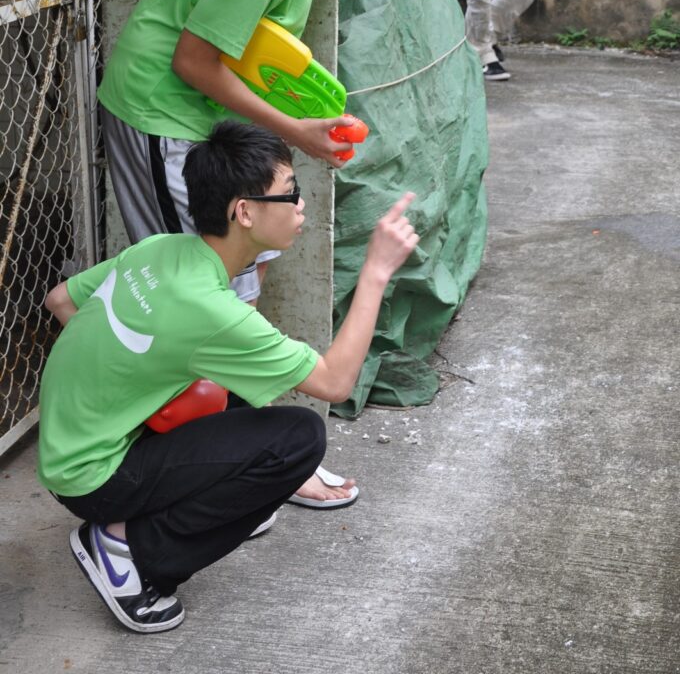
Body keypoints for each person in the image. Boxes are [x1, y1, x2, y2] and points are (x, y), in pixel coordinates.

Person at [97, 0, 395, 504]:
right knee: (203, 290)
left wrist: (301, 113)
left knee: (235, 282)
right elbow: (192, 61)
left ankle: (251, 448)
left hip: (195, 120)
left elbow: (248, 53)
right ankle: (220, 460)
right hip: (161, 113)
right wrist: (294, 131)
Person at [38, 121, 419, 633]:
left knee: (231, 382)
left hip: (67, 443)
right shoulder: (211, 311)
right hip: (95, 477)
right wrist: (375, 272)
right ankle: (126, 547)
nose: (301, 205)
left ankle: (215, 497)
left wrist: (129, 391)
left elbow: (60, 300)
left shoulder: (162, 249)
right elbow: (335, 384)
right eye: (291, 194)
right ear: (244, 212)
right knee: (298, 439)